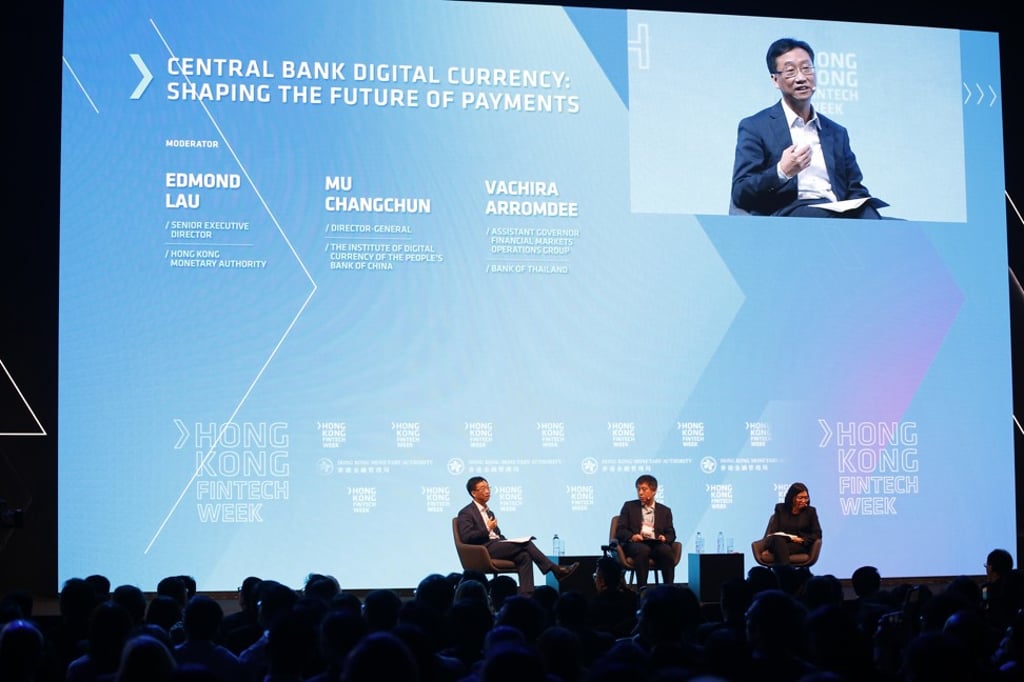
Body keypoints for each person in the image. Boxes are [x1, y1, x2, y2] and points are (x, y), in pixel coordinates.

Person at [731, 37, 887, 218]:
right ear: (775, 80)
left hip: (836, 210)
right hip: (791, 214)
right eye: (790, 71)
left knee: (885, 223)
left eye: (807, 68)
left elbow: (855, 188)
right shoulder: (755, 126)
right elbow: (740, 192)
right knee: (824, 216)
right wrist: (782, 171)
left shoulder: (836, 132)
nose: (801, 78)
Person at [456, 477, 578, 594]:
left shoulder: (489, 512)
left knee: (524, 556)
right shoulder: (466, 512)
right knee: (526, 543)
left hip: (496, 545)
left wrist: (507, 541)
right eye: (482, 488)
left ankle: (527, 595)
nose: (487, 491)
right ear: (473, 493)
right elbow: (468, 537)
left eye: (488, 487)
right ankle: (555, 570)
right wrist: (488, 528)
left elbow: (497, 534)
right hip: (483, 549)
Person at [615, 474, 677, 587]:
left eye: (644, 489)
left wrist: (665, 538)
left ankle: (669, 588)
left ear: (654, 491)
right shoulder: (629, 507)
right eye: (638, 489)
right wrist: (632, 536)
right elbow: (620, 530)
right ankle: (642, 588)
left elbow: (671, 532)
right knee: (642, 549)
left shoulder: (665, 511)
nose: (640, 493)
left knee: (666, 551)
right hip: (636, 544)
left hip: (656, 544)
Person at [762, 482, 822, 566]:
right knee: (778, 542)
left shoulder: (810, 512)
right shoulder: (780, 508)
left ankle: (783, 575)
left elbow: (817, 533)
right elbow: (774, 532)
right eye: (800, 498)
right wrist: (791, 538)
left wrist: (803, 540)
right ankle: (788, 575)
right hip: (778, 541)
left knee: (779, 549)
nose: (804, 501)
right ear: (792, 497)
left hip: (798, 545)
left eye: (806, 498)